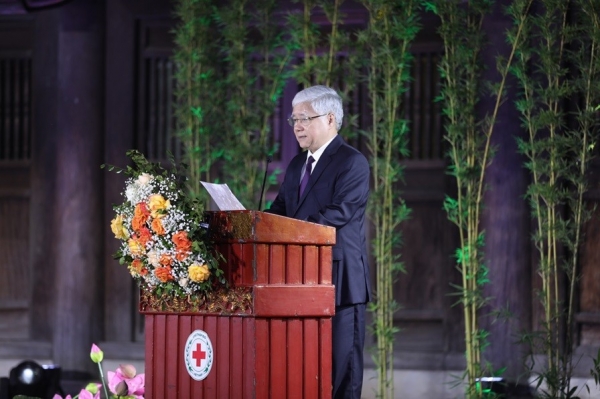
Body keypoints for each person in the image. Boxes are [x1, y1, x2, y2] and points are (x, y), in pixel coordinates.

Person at [266, 85, 371, 399]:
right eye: (294, 119)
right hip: (300, 280)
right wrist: (257, 222)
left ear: (329, 119)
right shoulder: (298, 164)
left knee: (342, 372)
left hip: (340, 281)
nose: (297, 125)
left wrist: (288, 228)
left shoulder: (352, 163)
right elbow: (280, 211)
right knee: (306, 370)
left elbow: (338, 214)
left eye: (304, 118)